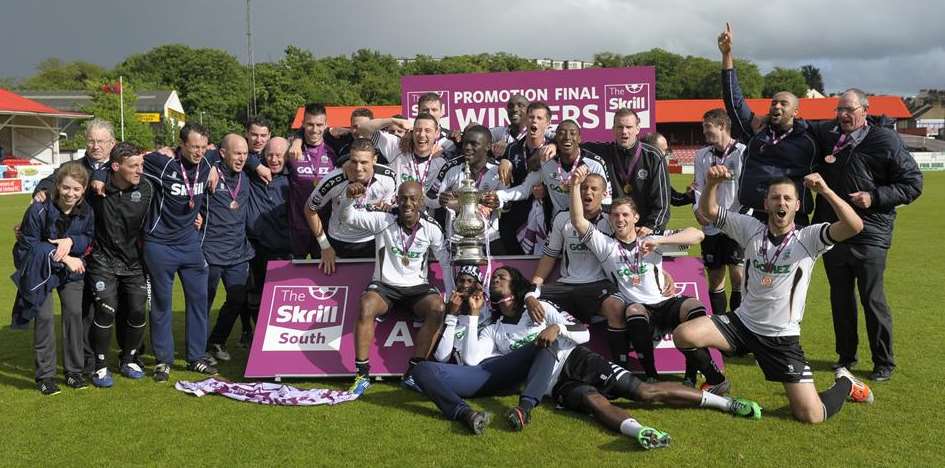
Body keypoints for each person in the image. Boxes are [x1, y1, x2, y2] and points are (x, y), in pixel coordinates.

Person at [677, 165, 875, 424]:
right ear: (766, 203)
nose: (781, 202)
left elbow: (854, 225)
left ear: (796, 205)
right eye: (775, 198)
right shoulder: (750, 229)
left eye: (787, 198)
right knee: (684, 335)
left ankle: (846, 383)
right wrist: (712, 184)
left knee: (811, 415)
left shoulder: (809, 237)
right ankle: (717, 382)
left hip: (781, 338)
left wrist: (825, 190)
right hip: (743, 324)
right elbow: (709, 212)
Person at [567, 167, 723, 389]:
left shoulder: (651, 240)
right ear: (610, 219)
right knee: (633, 311)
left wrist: (659, 242)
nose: (620, 219)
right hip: (640, 311)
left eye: (625, 215)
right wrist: (574, 186)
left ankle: (697, 374)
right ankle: (651, 375)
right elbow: (578, 221)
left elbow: (697, 234)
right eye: (615, 215)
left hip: (665, 303)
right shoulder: (606, 246)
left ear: (636, 217)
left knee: (694, 307)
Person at [807, 89, 923, 381]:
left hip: (871, 233)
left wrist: (875, 196)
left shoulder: (885, 139)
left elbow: (913, 183)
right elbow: (799, 126)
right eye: (839, 110)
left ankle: (884, 362)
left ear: (865, 110)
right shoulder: (830, 137)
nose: (842, 115)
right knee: (840, 298)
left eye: (849, 109)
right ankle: (846, 357)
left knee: (872, 299)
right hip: (833, 232)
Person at [411, 266, 586, 436]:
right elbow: (470, 360)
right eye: (494, 277)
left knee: (547, 342)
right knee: (421, 370)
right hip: (485, 374)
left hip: (514, 371)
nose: (496, 279)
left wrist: (552, 324)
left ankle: (524, 409)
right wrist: (470, 315)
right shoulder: (492, 327)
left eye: (501, 277)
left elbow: (582, 331)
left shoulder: (533, 309)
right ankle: (466, 414)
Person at [341, 180, 453, 395]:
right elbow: (348, 218)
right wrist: (348, 199)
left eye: (413, 199)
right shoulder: (383, 219)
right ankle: (362, 374)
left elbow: (445, 262)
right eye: (403, 198)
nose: (407, 203)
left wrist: (448, 294)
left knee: (438, 308)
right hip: (385, 286)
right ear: (396, 200)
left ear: (421, 202)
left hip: (417, 288)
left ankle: (414, 373)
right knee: (366, 305)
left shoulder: (432, 228)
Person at [131, 123, 218, 381]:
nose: (199, 152)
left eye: (203, 147)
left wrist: (212, 166)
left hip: (190, 245)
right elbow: (132, 159)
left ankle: (196, 357)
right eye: (193, 147)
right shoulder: (163, 163)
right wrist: (162, 150)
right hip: (160, 245)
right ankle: (163, 360)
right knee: (161, 304)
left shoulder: (207, 161)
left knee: (199, 302)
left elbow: (234, 151)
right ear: (181, 145)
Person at [718, 23, 817, 225]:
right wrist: (727, 55)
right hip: (758, 216)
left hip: (795, 219)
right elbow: (734, 102)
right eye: (773, 103)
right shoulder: (757, 129)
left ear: (796, 112)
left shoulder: (811, 137)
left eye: (783, 103)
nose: (777, 106)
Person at [13, 162, 94, 394]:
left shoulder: (87, 210)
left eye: (77, 189)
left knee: (74, 315)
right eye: (67, 188)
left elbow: (88, 237)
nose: (71, 194)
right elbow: (30, 247)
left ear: (84, 189)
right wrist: (66, 258)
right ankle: (45, 376)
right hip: (38, 269)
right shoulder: (38, 209)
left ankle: (74, 372)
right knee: (45, 318)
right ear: (57, 186)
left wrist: (72, 243)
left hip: (70, 271)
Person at [86, 143, 153, 387]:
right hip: (102, 260)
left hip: (134, 262)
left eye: (141, 165)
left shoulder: (147, 188)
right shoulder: (97, 189)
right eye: (133, 166)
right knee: (107, 309)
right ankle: (100, 366)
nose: (139, 170)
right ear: (115, 167)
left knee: (137, 309)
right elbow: (65, 188)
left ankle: (129, 359)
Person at [304, 138, 397, 272]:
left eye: (364, 162)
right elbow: (309, 209)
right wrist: (325, 246)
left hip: (372, 240)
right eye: (354, 161)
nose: (358, 168)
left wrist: (386, 206)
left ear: (375, 159)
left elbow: (389, 206)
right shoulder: (333, 180)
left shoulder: (388, 177)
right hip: (339, 241)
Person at [204, 135, 255, 362]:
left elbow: (265, 157)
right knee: (203, 303)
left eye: (245, 153)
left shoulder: (247, 176)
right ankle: (198, 349)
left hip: (238, 253)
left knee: (236, 299)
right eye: (237, 153)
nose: (242, 158)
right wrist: (211, 163)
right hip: (210, 252)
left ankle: (216, 341)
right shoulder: (209, 174)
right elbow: (190, 156)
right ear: (223, 154)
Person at [692, 109, 747, 317]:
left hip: (736, 222)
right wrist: (698, 209)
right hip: (711, 224)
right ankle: (718, 324)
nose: (704, 131)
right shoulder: (701, 155)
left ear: (722, 126)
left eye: (708, 127)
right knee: (715, 277)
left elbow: (746, 189)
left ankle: (739, 324)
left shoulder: (743, 152)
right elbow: (698, 186)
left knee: (738, 275)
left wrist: (741, 217)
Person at [582, 108, 671, 235]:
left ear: (637, 129)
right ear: (613, 129)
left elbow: (662, 201)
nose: (624, 132)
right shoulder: (603, 152)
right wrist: (554, 144)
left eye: (629, 127)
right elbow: (572, 145)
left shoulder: (653, 156)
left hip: (643, 231)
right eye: (620, 127)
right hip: (611, 230)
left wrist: (651, 226)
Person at [496, 119, 612, 215]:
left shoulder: (594, 164)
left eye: (572, 133)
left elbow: (606, 200)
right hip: (559, 226)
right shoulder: (546, 162)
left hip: (587, 225)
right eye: (561, 133)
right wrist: (498, 195)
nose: (567, 137)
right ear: (555, 138)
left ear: (580, 139)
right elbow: (524, 190)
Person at [283, 103, 352, 258]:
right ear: (302, 125)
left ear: (326, 125)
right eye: (310, 124)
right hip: (297, 228)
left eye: (319, 125)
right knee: (291, 279)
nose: (315, 130)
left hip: (325, 227)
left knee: (324, 278)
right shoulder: (291, 150)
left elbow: (361, 135)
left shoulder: (335, 149)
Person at [244, 137, 292, 346]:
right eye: (270, 154)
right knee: (254, 294)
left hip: (284, 247)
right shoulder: (251, 172)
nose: (274, 159)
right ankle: (254, 333)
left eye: (279, 155)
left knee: (283, 298)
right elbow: (227, 150)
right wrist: (255, 165)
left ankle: (282, 337)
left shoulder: (294, 177)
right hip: (256, 247)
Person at [427, 125, 505, 253]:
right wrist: (440, 201)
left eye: (474, 144)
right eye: (465, 143)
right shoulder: (451, 167)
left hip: (490, 239)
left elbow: (509, 204)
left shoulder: (498, 171)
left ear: (488, 146)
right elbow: (428, 198)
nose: (467, 148)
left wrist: (499, 203)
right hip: (456, 240)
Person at [495, 101, 556, 254]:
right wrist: (503, 161)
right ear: (525, 121)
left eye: (539, 118)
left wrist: (547, 191)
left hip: (548, 210)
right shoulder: (512, 149)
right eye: (531, 117)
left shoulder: (554, 148)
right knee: (505, 228)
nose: (534, 121)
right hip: (519, 211)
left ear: (548, 123)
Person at [358, 112, 448, 195]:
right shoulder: (397, 147)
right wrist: (393, 121)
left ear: (437, 133)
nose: (421, 135)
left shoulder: (441, 163)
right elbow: (363, 129)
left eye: (427, 130)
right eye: (418, 130)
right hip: (396, 210)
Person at [642, 132, 695, 207]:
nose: (666, 154)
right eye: (663, 150)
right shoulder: (632, 171)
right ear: (650, 150)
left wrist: (689, 195)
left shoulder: (659, 173)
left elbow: (675, 199)